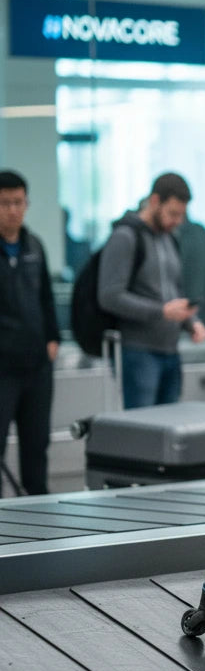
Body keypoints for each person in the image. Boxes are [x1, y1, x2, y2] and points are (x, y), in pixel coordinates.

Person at [98, 172, 205, 409]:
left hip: (170, 350)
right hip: (138, 351)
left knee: (168, 429)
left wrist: (190, 322)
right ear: (155, 201)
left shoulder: (169, 239)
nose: (177, 221)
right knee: (144, 433)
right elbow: (110, 295)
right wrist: (161, 311)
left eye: (181, 215)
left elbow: (173, 291)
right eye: (173, 214)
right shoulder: (125, 237)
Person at [0, 170, 59, 494]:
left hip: (37, 367)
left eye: (18, 202)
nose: (13, 210)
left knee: (36, 448)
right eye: (6, 203)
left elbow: (47, 298)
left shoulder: (33, 246)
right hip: (3, 370)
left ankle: (40, 522)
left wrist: (53, 339)